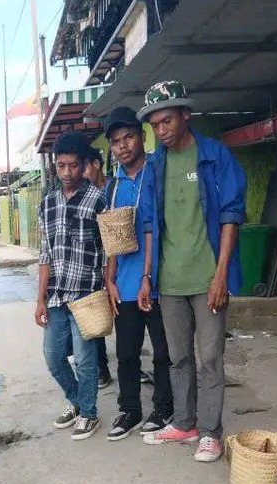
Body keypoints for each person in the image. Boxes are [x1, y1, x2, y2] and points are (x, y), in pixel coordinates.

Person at [138, 81, 246, 462]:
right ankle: (184, 422)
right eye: (154, 125)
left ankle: (211, 432)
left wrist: (221, 275)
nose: (161, 130)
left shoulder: (215, 156)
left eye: (166, 120)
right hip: (170, 282)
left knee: (210, 357)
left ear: (186, 114)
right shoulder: (155, 165)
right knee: (178, 357)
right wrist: (148, 276)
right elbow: (150, 224)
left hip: (206, 279)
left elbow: (232, 215)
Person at [101, 107, 173, 441]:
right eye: (116, 142)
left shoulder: (160, 171)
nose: (123, 145)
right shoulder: (113, 187)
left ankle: (164, 407)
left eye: (129, 137)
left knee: (163, 351)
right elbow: (111, 237)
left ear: (141, 136)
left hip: (162, 281)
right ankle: (130, 409)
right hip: (126, 285)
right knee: (127, 353)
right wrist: (110, 280)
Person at [36, 131, 107, 440]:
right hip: (55, 296)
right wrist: (39, 299)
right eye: (61, 166)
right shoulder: (47, 204)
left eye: (73, 166)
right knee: (53, 358)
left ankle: (89, 414)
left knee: (85, 359)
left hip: (87, 294)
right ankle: (79, 402)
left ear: (84, 165)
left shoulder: (98, 199)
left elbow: (109, 249)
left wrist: (109, 286)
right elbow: (45, 254)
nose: (67, 173)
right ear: (54, 166)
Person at [82, 145, 113, 389]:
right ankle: (102, 369)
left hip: (118, 263)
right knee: (96, 321)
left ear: (97, 164)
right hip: (95, 266)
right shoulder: (84, 195)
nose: (81, 173)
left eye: (84, 167)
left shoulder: (113, 188)